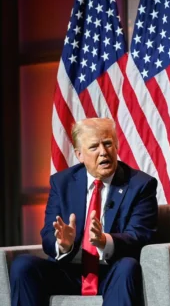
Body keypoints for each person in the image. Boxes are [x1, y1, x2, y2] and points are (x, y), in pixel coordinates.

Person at [10, 118, 158, 306]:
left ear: (116, 146)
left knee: (127, 267)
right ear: (79, 155)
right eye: (94, 147)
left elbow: (140, 236)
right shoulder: (62, 182)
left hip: (112, 273)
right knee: (23, 266)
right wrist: (63, 245)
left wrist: (106, 241)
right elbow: (48, 235)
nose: (103, 152)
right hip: (68, 272)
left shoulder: (140, 185)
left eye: (108, 144)